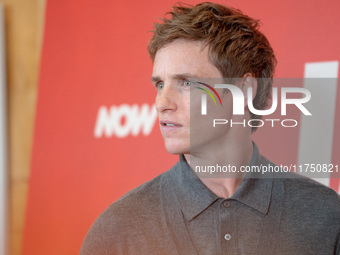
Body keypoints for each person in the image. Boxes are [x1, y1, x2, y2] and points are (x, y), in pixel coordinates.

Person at [80, 2, 340, 254]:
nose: (162, 103)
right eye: (160, 84)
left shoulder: (327, 216)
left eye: (187, 83)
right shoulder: (116, 231)